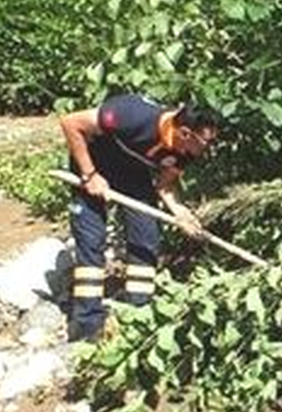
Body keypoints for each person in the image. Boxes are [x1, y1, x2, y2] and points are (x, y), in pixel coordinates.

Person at [59, 93, 218, 342]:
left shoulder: (185, 151)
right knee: (91, 240)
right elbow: (70, 123)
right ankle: (86, 326)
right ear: (185, 133)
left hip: (132, 171)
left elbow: (165, 185)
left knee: (146, 237)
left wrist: (179, 211)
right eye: (205, 143)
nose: (207, 149)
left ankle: (138, 316)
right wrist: (90, 175)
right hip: (93, 162)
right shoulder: (131, 116)